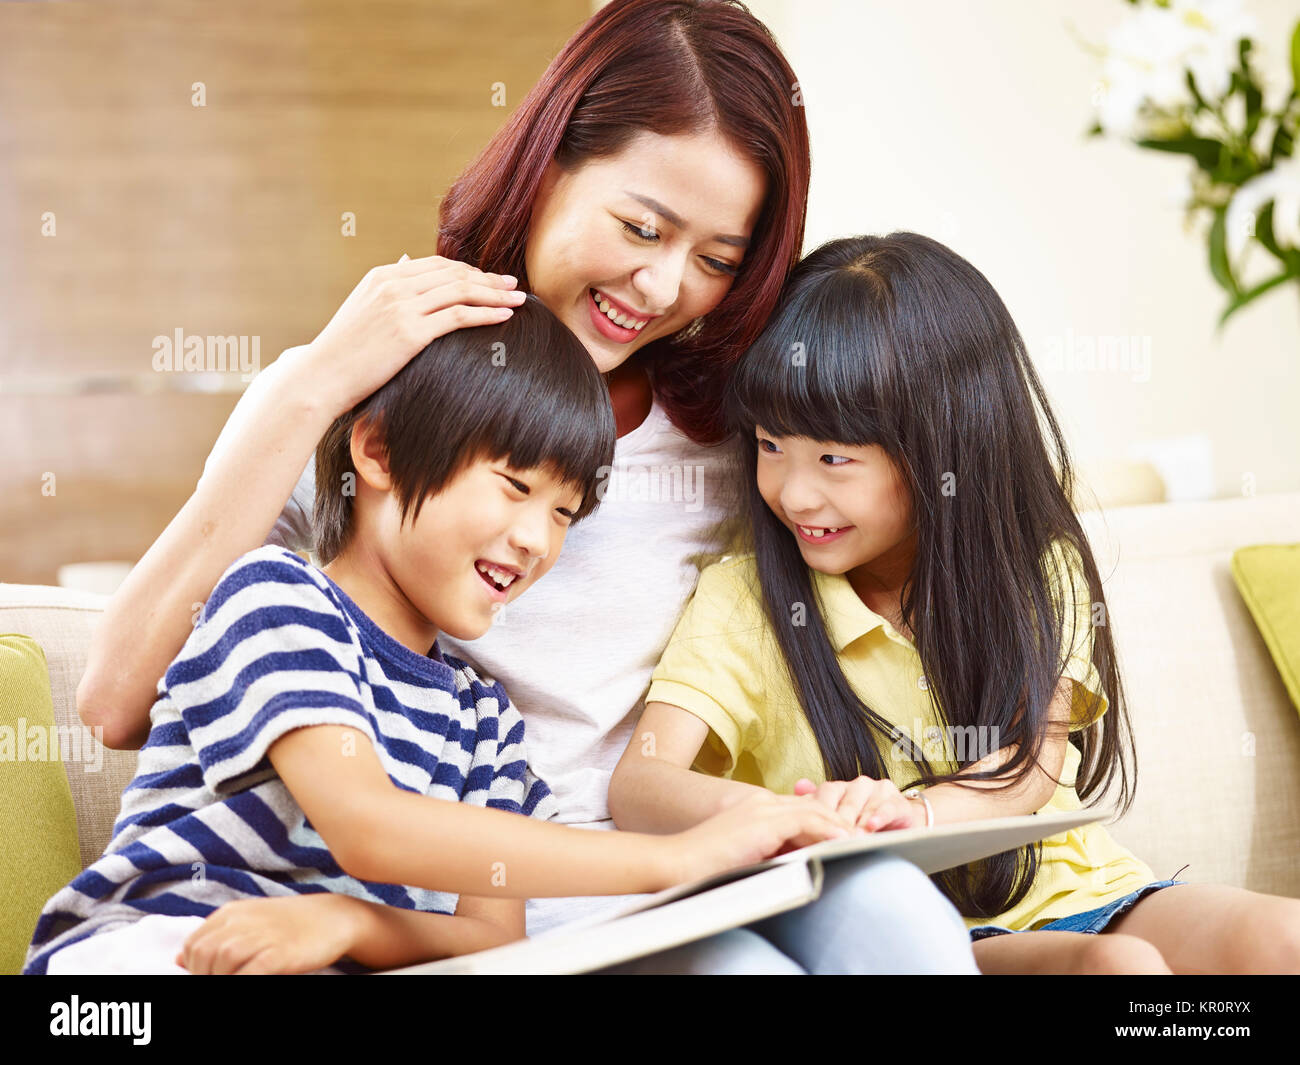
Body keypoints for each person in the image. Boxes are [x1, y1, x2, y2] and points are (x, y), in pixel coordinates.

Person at [75, 0, 979, 972]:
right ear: (548, 161)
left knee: (898, 917)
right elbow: (118, 704)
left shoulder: (739, 443)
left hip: (671, 867)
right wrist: (307, 386)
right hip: (484, 906)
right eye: (640, 226)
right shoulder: (372, 397)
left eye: (716, 260)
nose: (663, 287)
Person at [25, 297, 852, 976]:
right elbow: (366, 823)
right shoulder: (277, 596)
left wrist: (346, 922)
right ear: (378, 452)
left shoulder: (483, 717)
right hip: (150, 950)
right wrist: (681, 858)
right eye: (514, 486)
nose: (537, 539)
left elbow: (491, 938)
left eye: (564, 513)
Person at [609, 231, 1300, 975]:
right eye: (771, 445)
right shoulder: (747, 604)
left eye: (834, 459)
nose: (794, 491)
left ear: (946, 447)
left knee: (1284, 937)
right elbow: (642, 784)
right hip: (923, 936)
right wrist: (779, 820)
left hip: (1088, 889)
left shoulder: (1035, 568)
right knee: (1121, 971)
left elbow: (1035, 761)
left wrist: (920, 813)